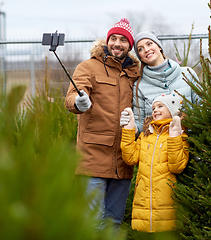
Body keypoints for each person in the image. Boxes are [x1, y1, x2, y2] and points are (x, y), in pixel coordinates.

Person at [64, 18, 140, 227]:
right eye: (113, 38)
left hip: (123, 159)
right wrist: (79, 103)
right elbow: (72, 97)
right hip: (93, 157)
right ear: (107, 41)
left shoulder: (135, 73)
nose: (117, 43)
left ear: (129, 45)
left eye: (123, 40)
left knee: (114, 220)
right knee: (93, 221)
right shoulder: (88, 67)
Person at [120, 92, 189, 233]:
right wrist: (128, 130)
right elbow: (131, 158)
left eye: (160, 106)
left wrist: (175, 137)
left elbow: (177, 167)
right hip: (143, 203)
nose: (155, 110)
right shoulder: (146, 135)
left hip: (167, 204)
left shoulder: (179, 135)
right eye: (153, 108)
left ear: (172, 110)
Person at [120, 30, 200, 133]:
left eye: (149, 44)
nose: (146, 49)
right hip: (157, 146)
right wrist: (132, 126)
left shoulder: (187, 74)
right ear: (140, 57)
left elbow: (201, 108)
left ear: (159, 46)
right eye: (140, 49)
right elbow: (140, 123)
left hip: (189, 142)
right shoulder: (139, 86)